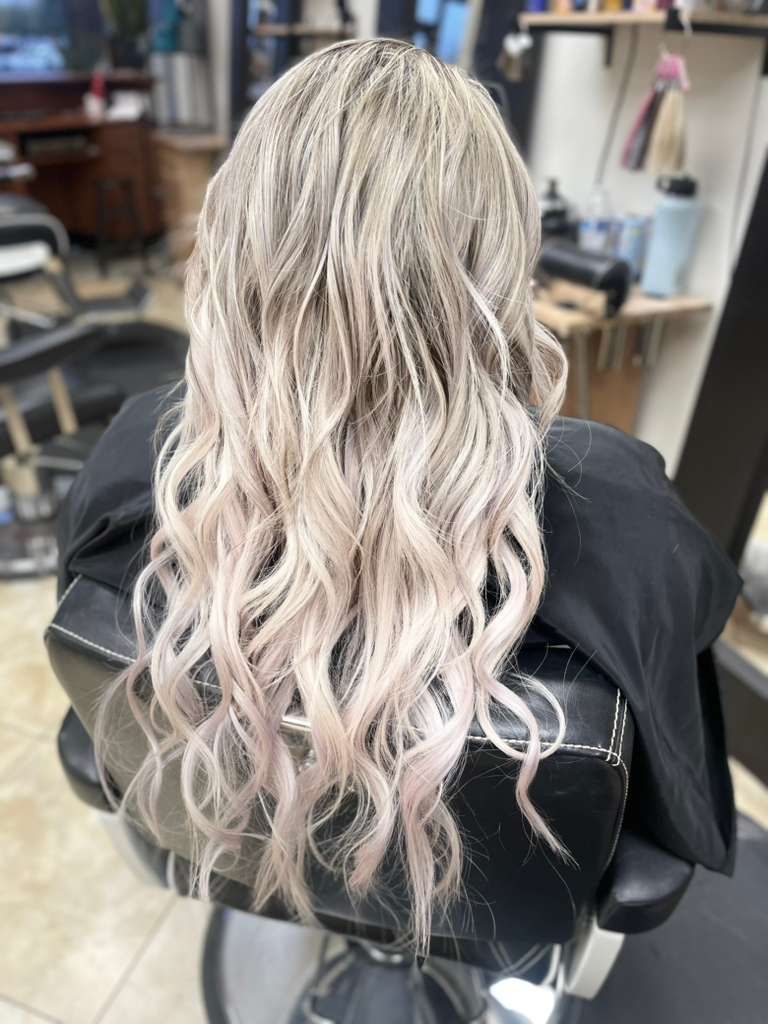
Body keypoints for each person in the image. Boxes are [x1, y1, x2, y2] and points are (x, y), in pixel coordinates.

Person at [56, 39, 740, 953]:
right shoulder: (617, 505)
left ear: (234, 244)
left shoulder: (141, 450)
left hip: (239, 853)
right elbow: (667, 790)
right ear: (497, 265)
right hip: (495, 908)